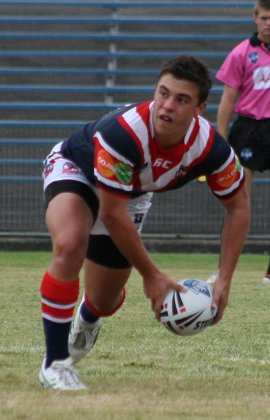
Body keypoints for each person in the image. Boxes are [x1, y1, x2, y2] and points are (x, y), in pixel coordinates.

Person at [38, 55, 249, 390]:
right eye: (163, 93)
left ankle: (88, 318)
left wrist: (224, 280)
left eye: (182, 99)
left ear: (200, 108)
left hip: (131, 193)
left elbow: (238, 207)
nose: (167, 106)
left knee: (104, 300)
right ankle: (55, 364)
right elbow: (110, 212)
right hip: (76, 168)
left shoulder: (211, 149)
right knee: (71, 244)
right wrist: (151, 274)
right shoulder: (122, 132)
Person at [214, 0, 270, 285]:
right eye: (263, 18)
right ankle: (222, 270)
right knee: (237, 201)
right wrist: (221, 138)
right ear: (255, 18)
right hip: (247, 129)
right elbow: (228, 98)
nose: (268, 23)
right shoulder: (241, 52)